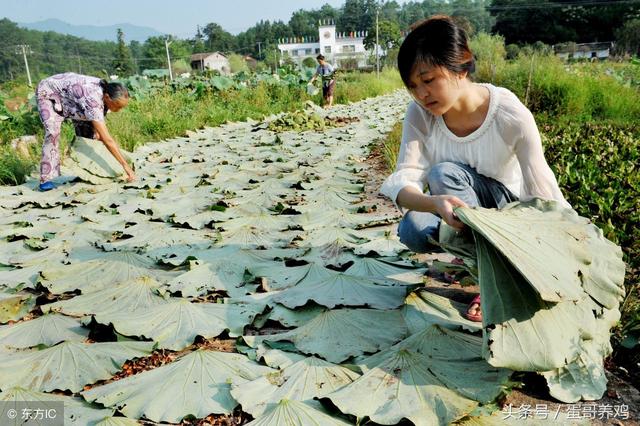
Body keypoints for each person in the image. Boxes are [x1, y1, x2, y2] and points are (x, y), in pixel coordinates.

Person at [380, 16, 569, 322]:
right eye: (413, 86)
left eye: (428, 80)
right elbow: (404, 179)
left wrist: (568, 241)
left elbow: (542, 190)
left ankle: (493, 279)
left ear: (461, 68)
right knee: (412, 228)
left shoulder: (510, 115)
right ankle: (476, 262)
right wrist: (433, 203)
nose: (421, 94)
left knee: (443, 174)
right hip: (462, 211)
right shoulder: (420, 114)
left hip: (508, 216)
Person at [35, 72, 135, 190]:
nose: (119, 110)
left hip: (73, 97)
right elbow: (107, 139)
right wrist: (125, 165)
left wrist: (97, 134)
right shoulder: (92, 99)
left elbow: (99, 131)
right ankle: (45, 179)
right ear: (107, 97)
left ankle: (86, 172)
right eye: (118, 106)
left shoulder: (103, 93)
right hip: (48, 92)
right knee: (53, 133)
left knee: (90, 136)